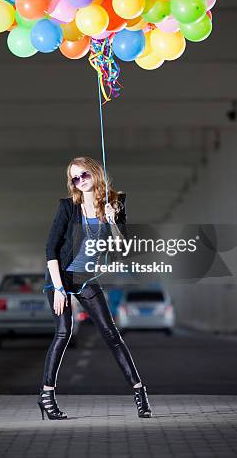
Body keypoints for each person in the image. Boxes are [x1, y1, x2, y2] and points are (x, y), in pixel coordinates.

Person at [37, 156, 152, 420]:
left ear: (95, 173)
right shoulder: (68, 207)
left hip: (86, 278)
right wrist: (57, 288)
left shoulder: (115, 202)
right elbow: (50, 249)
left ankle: (139, 392)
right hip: (61, 277)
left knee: (112, 335)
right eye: (75, 179)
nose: (80, 182)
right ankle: (46, 395)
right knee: (63, 333)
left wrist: (112, 220)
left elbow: (122, 249)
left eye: (84, 175)